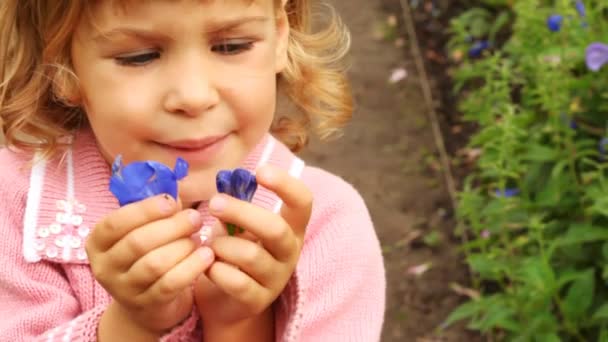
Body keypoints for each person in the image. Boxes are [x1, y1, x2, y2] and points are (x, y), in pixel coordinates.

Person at [0, 0, 386, 341]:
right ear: (63, 62)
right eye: (139, 56)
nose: (194, 96)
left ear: (279, 35)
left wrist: (239, 324)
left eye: (231, 46)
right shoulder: (15, 204)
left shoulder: (326, 227)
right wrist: (132, 327)